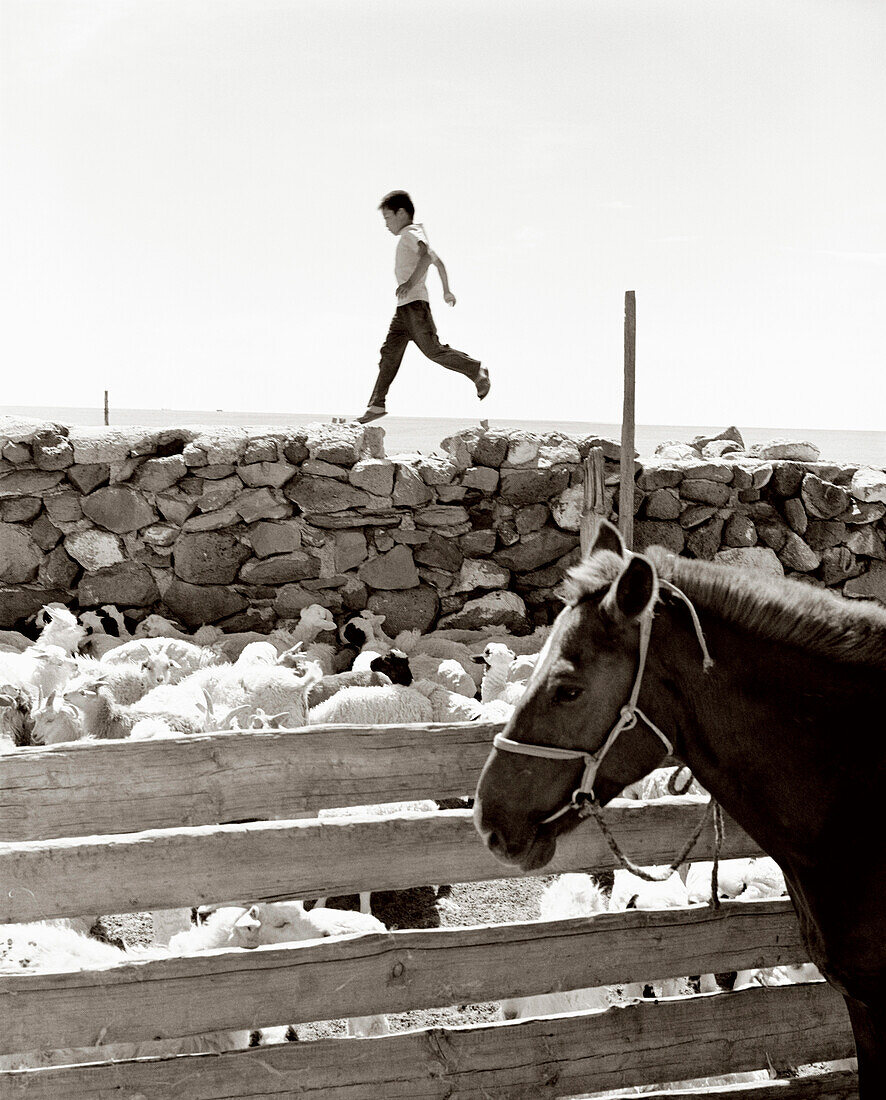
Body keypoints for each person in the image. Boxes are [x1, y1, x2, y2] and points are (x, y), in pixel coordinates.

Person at [357, 190, 490, 423]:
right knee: (389, 354)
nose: (386, 224)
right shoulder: (414, 234)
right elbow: (437, 262)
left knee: (433, 350)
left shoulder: (410, 233)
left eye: (388, 218)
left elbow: (427, 257)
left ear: (401, 213)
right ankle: (377, 404)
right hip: (404, 309)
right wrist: (446, 290)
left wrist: (410, 282)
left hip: (415, 306)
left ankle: (475, 370)